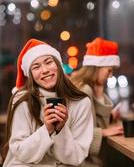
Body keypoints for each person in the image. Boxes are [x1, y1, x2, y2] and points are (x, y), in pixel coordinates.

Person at [2, 38, 93, 167]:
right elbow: (20, 152)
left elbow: (76, 157)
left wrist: (61, 129)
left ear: (58, 65)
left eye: (48, 62)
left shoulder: (81, 102)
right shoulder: (22, 100)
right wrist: (47, 129)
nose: (44, 70)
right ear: (31, 75)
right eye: (36, 67)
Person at [70, 37, 123, 167]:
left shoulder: (85, 86)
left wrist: (99, 94)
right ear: (97, 67)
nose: (110, 76)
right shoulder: (84, 89)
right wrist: (102, 132)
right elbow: (73, 131)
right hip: (80, 162)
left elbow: (94, 123)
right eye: (109, 70)